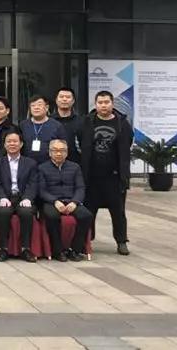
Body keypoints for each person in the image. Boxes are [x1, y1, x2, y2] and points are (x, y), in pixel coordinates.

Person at [79, 90, 133, 256]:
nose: (103, 105)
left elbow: (128, 143)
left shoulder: (122, 123)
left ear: (112, 104)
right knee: (89, 211)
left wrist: (124, 176)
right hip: (92, 176)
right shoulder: (88, 122)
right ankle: (87, 241)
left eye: (106, 102)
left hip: (114, 177)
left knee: (118, 212)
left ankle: (121, 241)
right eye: (100, 102)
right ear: (95, 104)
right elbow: (81, 140)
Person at [38, 139, 92, 262]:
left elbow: (80, 187)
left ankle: (75, 249)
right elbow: (41, 190)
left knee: (86, 216)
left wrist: (75, 202)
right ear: (49, 152)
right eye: (55, 150)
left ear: (67, 153)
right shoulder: (42, 168)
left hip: (71, 200)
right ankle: (58, 251)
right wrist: (55, 201)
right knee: (52, 216)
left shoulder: (75, 167)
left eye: (62, 151)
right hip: (52, 202)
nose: (58, 153)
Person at [0, 129, 38, 263]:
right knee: (3, 212)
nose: (12, 144)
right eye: (9, 141)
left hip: (22, 197)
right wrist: (2, 197)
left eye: (15, 141)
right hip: (5, 197)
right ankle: (3, 248)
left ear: (21, 144)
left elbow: (33, 183)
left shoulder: (30, 163)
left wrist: (28, 198)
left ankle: (25, 249)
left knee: (26, 212)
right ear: (4, 145)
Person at [19, 95, 68, 164]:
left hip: (49, 165)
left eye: (39, 105)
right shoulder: (23, 125)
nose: (36, 107)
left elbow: (64, 146)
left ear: (47, 107)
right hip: (27, 165)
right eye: (33, 105)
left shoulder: (57, 125)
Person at [52, 87, 84, 164]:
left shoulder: (81, 121)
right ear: (56, 100)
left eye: (68, 97)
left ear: (73, 101)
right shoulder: (49, 121)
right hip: (52, 163)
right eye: (61, 97)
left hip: (75, 163)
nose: (64, 99)